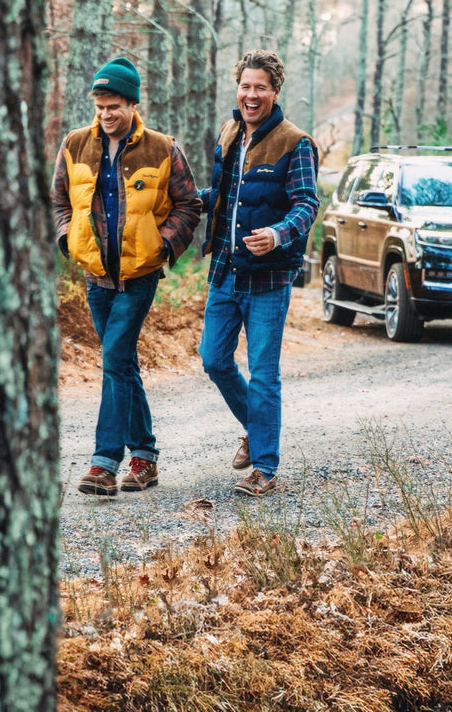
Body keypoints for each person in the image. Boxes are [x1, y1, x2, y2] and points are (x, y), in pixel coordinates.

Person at [51, 56, 201, 498]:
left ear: (133, 104)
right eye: (100, 107)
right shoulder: (75, 144)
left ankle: (103, 464)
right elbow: (59, 199)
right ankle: (146, 457)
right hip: (96, 276)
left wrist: (163, 245)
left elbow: (189, 204)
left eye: (114, 106)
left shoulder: (162, 148)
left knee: (114, 359)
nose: (106, 115)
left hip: (139, 277)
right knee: (123, 363)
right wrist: (68, 240)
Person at [199, 49, 319, 496]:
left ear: (275, 91)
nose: (252, 95)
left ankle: (264, 467)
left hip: (269, 278)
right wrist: (190, 198)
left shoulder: (295, 142)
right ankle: (256, 425)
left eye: (260, 88)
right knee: (213, 358)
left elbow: (307, 204)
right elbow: (226, 194)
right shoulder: (230, 132)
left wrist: (278, 233)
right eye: (246, 86)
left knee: (264, 371)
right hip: (226, 271)